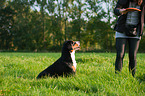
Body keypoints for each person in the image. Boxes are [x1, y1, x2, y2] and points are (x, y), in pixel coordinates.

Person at [114, 0, 145, 77]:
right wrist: (120, 11)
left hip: (136, 31)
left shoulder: (143, 2)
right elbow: (116, 10)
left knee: (133, 55)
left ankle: (132, 76)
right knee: (120, 55)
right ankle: (117, 76)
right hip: (122, 29)